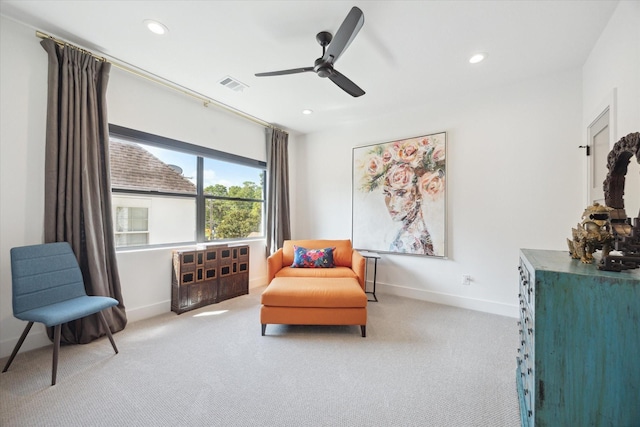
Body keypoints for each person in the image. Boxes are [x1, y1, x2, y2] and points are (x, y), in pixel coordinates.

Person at [360, 135, 445, 255]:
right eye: (387, 193)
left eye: (400, 193)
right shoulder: (413, 234)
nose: (392, 203)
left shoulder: (412, 243)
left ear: (418, 194)